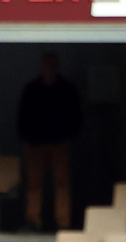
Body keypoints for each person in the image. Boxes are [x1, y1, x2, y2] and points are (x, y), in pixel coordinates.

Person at [17, 52, 81, 232]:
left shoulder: (66, 89)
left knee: (62, 184)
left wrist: (70, 136)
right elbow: (22, 115)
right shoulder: (32, 89)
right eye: (47, 65)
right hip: (34, 144)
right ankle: (33, 220)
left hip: (59, 143)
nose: (50, 69)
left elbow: (75, 115)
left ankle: (63, 221)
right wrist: (25, 137)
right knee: (34, 184)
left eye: (53, 65)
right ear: (42, 67)